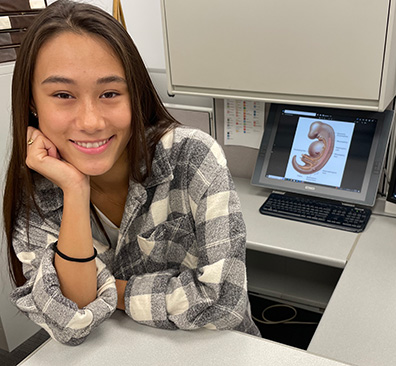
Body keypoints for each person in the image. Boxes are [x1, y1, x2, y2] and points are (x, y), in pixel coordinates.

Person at [3, 0, 259, 345]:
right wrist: (75, 190)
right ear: (33, 102)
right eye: (63, 95)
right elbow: (70, 320)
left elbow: (222, 304)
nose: (91, 122)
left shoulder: (190, 158)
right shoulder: (37, 189)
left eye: (110, 93)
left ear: (134, 95)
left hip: (216, 349)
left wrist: (108, 292)